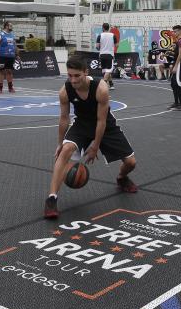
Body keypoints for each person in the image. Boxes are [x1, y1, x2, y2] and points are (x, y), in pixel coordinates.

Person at [44, 55, 137, 218]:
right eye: (70, 75)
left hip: (105, 125)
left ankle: (122, 178)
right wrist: (60, 143)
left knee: (131, 163)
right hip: (82, 124)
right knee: (65, 151)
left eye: (77, 75)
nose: (73, 80)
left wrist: (95, 147)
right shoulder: (65, 91)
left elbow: (101, 121)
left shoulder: (101, 88)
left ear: (86, 72)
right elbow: (64, 118)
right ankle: (51, 199)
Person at [0, 21, 20, 93]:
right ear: (6, 26)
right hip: (2, 56)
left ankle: (10, 87)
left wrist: (17, 55)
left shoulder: (12, 35)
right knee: (1, 71)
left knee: (9, 71)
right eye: (10, 25)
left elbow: (15, 46)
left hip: (11, 56)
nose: (12, 27)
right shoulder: (0, 35)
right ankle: (0, 88)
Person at [168, 25, 181, 110]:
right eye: (173, 31)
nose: (174, 33)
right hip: (177, 64)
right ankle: (177, 103)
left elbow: (180, 55)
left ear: (180, 31)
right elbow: (177, 54)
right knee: (173, 84)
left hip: (179, 65)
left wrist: (175, 66)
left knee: (177, 84)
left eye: (175, 31)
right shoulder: (178, 41)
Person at [96, 23, 118, 89]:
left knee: (106, 71)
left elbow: (97, 47)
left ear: (103, 28)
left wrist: (101, 48)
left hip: (102, 54)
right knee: (108, 71)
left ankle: (111, 84)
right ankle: (104, 84)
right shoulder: (113, 35)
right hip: (110, 54)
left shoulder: (100, 35)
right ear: (109, 28)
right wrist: (111, 46)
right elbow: (117, 45)